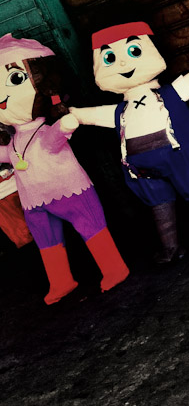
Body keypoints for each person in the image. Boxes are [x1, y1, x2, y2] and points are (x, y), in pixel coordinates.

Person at [69, 21, 189, 264]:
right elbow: (95, 115)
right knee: (159, 204)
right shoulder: (120, 110)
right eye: (110, 58)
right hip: (142, 169)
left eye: (134, 51)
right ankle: (171, 248)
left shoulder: (167, 94)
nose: (123, 64)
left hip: (179, 155)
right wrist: (76, 114)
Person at [0, 34, 129, 304]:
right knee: (47, 243)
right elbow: (8, 156)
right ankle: (61, 281)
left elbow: (53, 140)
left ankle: (114, 268)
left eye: (15, 79)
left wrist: (64, 127)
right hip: (33, 201)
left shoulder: (43, 129)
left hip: (70, 190)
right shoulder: (15, 139)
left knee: (92, 229)